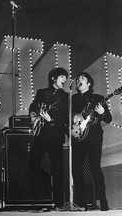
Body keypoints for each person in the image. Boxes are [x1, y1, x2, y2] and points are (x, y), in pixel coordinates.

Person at [29, 67, 69, 209]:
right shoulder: (42, 92)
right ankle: (46, 178)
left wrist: (50, 119)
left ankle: (59, 203)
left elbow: (65, 118)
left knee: (57, 169)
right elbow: (33, 107)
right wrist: (35, 117)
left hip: (56, 135)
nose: (65, 79)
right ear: (54, 78)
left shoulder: (66, 96)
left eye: (66, 77)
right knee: (32, 163)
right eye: (62, 76)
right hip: (41, 134)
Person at [72, 72, 111, 211]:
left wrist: (102, 113)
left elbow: (109, 119)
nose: (79, 81)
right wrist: (73, 125)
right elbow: (67, 119)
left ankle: (104, 202)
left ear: (89, 83)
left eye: (82, 78)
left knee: (95, 168)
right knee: (76, 169)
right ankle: (81, 204)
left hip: (94, 138)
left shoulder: (98, 99)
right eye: (78, 79)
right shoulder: (72, 99)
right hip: (78, 138)